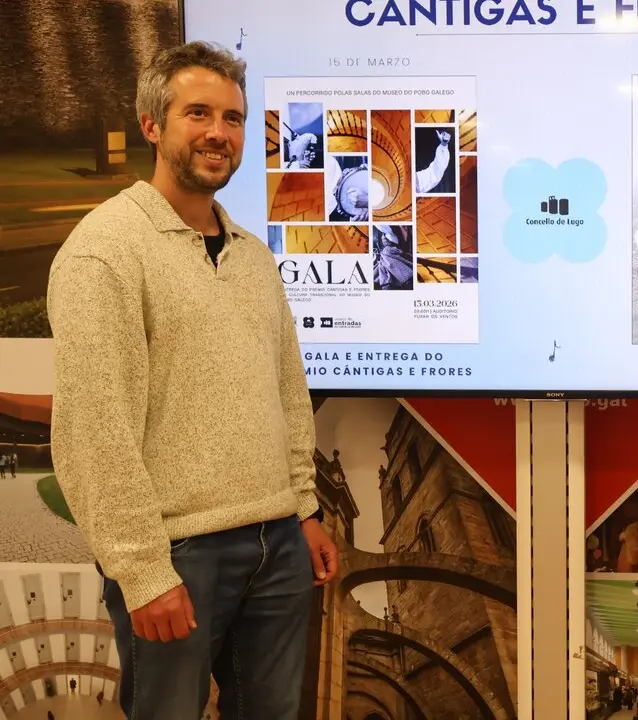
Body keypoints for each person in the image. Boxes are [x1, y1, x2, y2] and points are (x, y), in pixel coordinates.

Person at [46, 41, 339, 720]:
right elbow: (96, 431)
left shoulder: (253, 257)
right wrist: (142, 571)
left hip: (278, 545)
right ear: (153, 125)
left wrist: (305, 507)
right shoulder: (104, 253)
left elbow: (287, 393)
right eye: (198, 113)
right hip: (179, 554)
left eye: (233, 118)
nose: (219, 133)